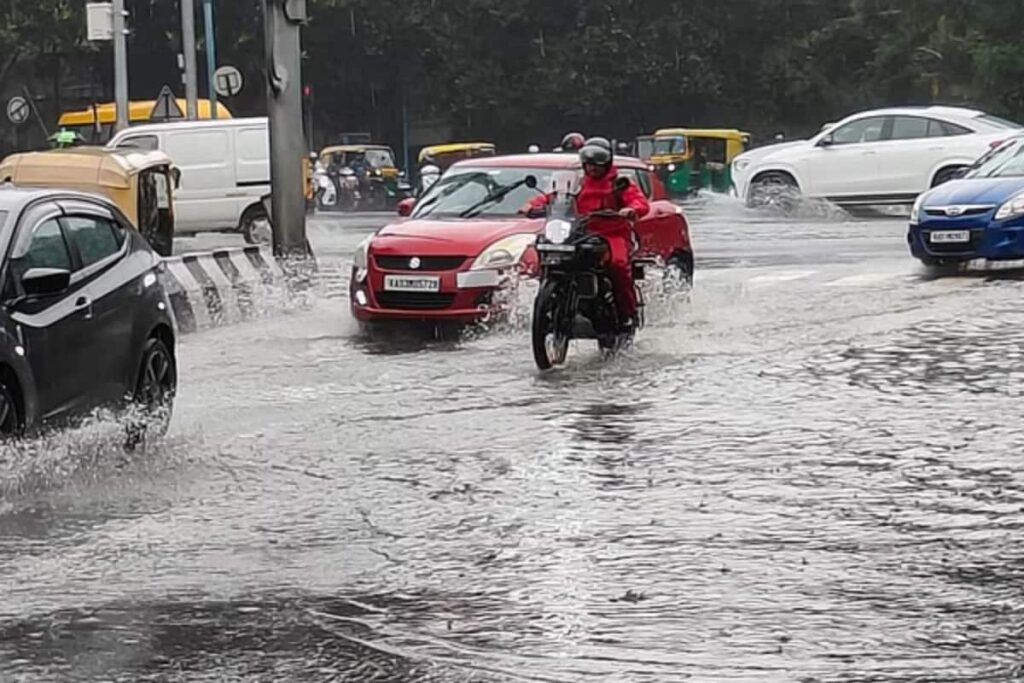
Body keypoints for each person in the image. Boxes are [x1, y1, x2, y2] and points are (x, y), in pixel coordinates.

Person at [525, 136, 649, 331]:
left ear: (607, 162)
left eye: (597, 161)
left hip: (613, 235)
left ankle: (627, 314)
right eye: (588, 162)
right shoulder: (576, 182)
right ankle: (553, 301)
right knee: (550, 254)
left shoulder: (620, 182)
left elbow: (639, 202)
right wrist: (532, 205)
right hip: (579, 233)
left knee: (618, 266)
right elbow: (554, 196)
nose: (592, 167)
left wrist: (631, 209)